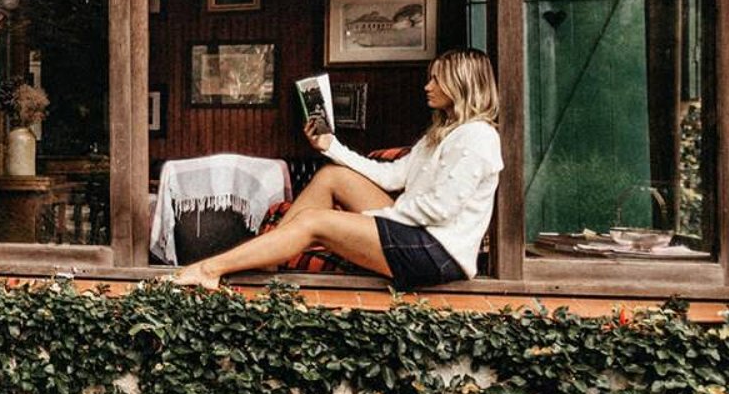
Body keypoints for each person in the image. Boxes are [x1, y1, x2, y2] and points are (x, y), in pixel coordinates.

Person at [171, 48, 502, 291]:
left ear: (461, 84)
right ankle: (269, 256)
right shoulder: (442, 134)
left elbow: (440, 210)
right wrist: (330, 146)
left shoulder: (477, 136)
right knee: (333, 177)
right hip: (417, 231)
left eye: (437, 79)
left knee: (315, 222)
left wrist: (370, 221)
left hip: (438, 252)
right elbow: (392, 176)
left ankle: (209, 269)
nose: (427, 86)